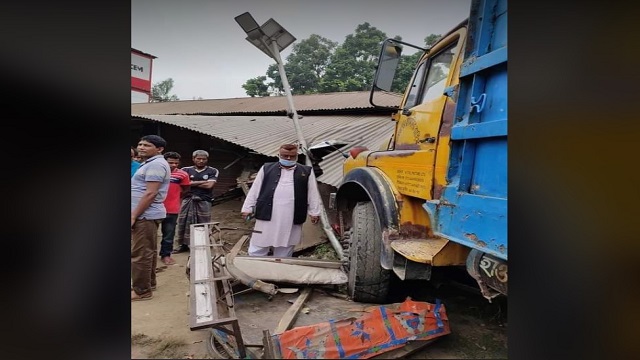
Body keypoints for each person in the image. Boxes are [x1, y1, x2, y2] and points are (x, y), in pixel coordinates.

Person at [241, 144, 322, 258]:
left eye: (291, 156)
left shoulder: (306, 171)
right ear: (279, 155)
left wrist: (314, 212)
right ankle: (255, 264)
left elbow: (312, 193)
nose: (288, 159)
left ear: (297, 156)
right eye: (285, 156)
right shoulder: (266, 168)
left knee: (286, 243)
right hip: (267, 212)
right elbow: (255, 189)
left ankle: (281, 266)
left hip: (291, 215)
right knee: (260, 241)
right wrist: (247, 208)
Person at [131, 135, 171, 301]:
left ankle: (142, 291)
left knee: (140, 253)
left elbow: (151, 193)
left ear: (159, 149)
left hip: (144, 215)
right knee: (148, 251)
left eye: (146, 145)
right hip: (146, 214)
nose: (141, 147)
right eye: (140, 144)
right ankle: (149, 283)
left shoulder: (155, 165)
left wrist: (134, 215)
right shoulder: (149, 164)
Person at [173, 150, 219, 254]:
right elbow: (182, 185)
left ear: (207, 160)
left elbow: (209, 186)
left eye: (204, 159)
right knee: (183, 222)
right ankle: (183, 245)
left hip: (204, 200)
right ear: (193, 159)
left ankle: (201, 245)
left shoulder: (212, 170)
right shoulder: (185, 170)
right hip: (188, 199)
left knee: (203, 223)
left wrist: (192, 183)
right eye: (198, 158)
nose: (201, 161)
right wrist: (202, 182)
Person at [159, 152, 190, 265]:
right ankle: (149, 255)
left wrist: (175, 197)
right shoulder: (157, 172)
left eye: (176, 163)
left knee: (169, 234)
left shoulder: (182, 174)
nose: (173, 165)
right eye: (170, 162)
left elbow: (186, 189)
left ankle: (166, 255)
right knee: (150, 234)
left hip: (172, 209)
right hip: (154, 208)